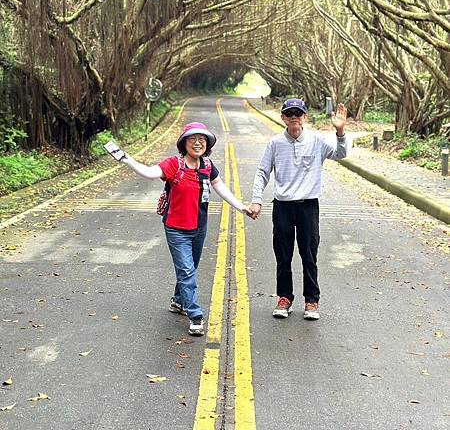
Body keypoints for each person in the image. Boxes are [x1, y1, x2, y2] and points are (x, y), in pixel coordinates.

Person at [120, 122, 253, 337]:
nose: (198, 143)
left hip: (199, 227)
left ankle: (178, 301)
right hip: (176, 228)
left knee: (189, 269)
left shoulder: (207, 166)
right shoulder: (174, 164)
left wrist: (242, 207)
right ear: (184, 143)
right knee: (187, 271)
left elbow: (220, 187)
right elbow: (150, 173)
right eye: (192, 139)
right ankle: (195, 315)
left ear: (207, 144)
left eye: (202, 139)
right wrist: (128, 159)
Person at [250, 98, 348, 321]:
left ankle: (312, 300)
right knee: (283, 255)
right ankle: (285, 298)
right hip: (282, 206)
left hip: (308, 207)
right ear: (283, 117)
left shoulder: (316, 141)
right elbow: (262, 172)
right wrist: (256, 199)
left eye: (298, 113)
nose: (294, 116)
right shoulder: (275, 143)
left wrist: (340, 131)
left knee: (309, 255)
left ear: (305, 117)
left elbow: (340, 154)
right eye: (289, 113)